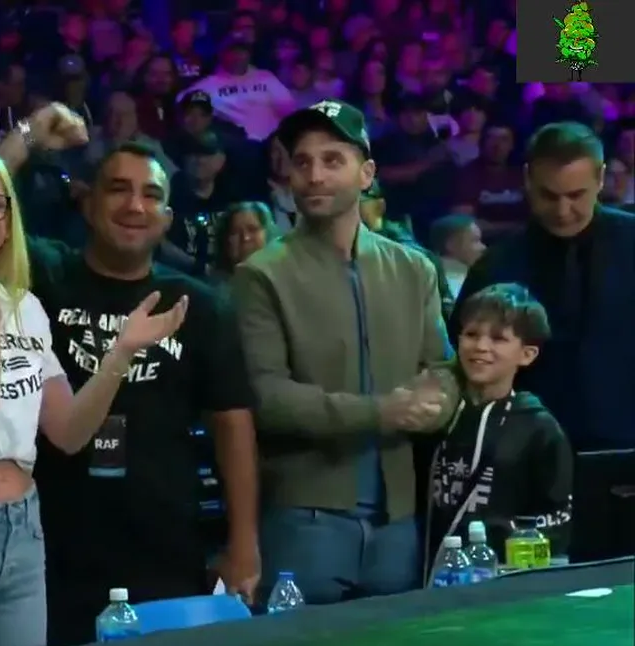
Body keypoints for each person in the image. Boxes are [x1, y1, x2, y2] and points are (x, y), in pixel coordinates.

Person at [0, 113, 187, 646]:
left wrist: (121, 353)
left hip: (25, 530)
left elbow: (69, 432)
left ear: (9, 221)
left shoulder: (24, 306)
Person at [0, 128, 260, 646]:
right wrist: (29, 133)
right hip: (51, 544)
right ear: (88, 202)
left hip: (163, 543)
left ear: (168, 217)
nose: (135, 206)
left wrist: (244, 542)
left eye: (151, 195)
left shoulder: (197, 304)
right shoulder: (45, 276)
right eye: (118, 189)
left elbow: (233, 424)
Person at [233, 100, 460, 606]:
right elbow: (268, 397)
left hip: (399, 521)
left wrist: (436, 402)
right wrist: (384, 412)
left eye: (332, 160)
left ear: (367, 174)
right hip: (304, 520)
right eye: (302, 162)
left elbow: (443, 368)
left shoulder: (414, 269)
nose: (314, 175)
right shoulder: (261, 275)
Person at [452, 122, 635, 452]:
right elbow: (463, 358)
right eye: (548, 196)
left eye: (576, 195)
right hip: (524, 450)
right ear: (527, 179)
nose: (563, 211)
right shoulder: (497, 264)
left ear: (600, 178)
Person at [425, 283, 571, 580]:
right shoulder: (436, 415)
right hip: (434, 577)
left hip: (502, 580)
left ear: (527, 354)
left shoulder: (539, 428)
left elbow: (557, 521)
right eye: (471, 334)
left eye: (498, 338)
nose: (480, 346)